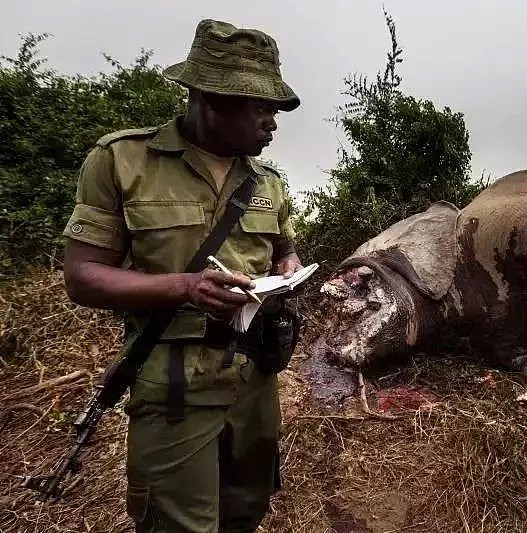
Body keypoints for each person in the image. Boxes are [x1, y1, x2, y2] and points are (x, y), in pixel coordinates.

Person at [61, 19, 302, 532]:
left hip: (254, 379)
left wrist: (287, 267)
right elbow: (82, 276)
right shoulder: (123, 162)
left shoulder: (268, 182)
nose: (272, 124)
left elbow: (284, 246)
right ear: (210, 98)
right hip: (174, 384)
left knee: (246, 512)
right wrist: (185, 288)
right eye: (261, 108)